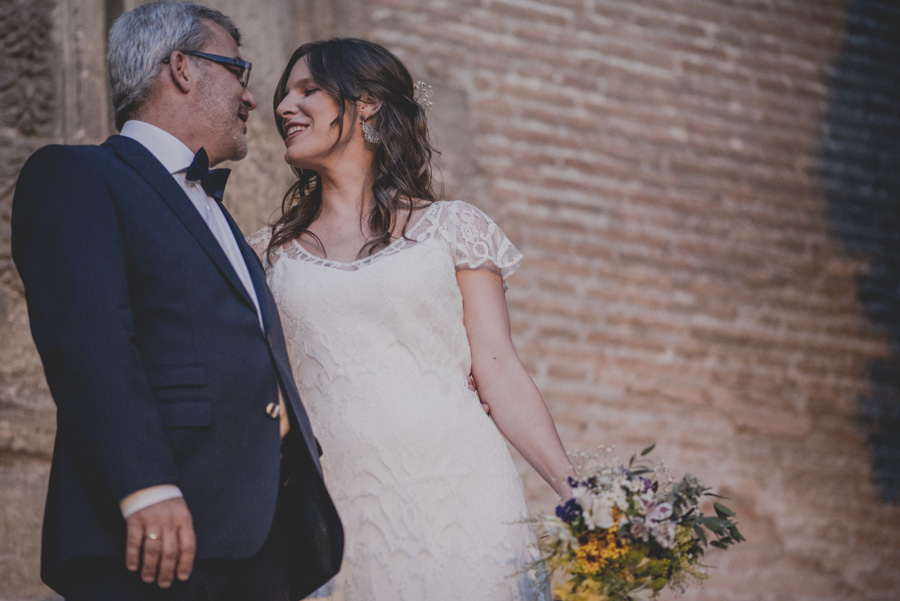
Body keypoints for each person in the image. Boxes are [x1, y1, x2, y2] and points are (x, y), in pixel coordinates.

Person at [11, 3, 342, 600]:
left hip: (258, 538)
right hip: (156, 530)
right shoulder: (77, 175)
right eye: (238, 72)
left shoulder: (220, 214)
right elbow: (88, 341)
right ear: (183, 69)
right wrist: (146, 486)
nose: (250, 99)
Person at [248, 38, 575, 601]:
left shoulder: (453, 227)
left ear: (367, 103)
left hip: (461, 489)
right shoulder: (265, 255)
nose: (283, 108)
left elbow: (497, 370)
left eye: (307, 91)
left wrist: (579, 493)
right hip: (335, 502)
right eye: (284, 96)